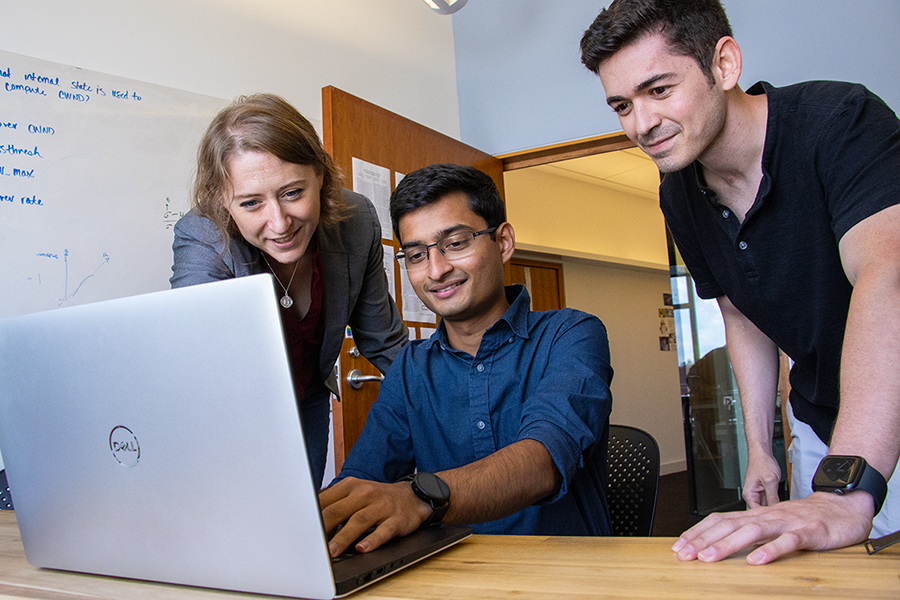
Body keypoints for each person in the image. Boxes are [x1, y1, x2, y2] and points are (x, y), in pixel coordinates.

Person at [581, 0, 900, 564]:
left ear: (724, 64)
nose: (640, 124)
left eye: (660, 90)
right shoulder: (677, 193)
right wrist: (759, 449)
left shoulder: (840, 119)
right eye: (622, 105)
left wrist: (847, 486)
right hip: (819, 422)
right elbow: (742, 314)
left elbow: (888, 273)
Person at [319, 163, 613, 557]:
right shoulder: (410, 368)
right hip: (449, 578)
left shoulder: (570, 334)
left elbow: (542, 460)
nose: (436, 270)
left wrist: (420, 497)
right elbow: (365, 478)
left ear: (503, 241)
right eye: (417, 254)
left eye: (455, 243)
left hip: (564, 575)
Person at [170, 93, 408, 490]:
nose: (279, 223)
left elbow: (384, 342)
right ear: (222, 202)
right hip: (229, 410)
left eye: (293, 193)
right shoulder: (203, 236)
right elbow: (196, 354)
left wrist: (447, 406)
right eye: (250, 203)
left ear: (321, 176)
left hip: (307, 398)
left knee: (304, 518)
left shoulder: (356, 220)